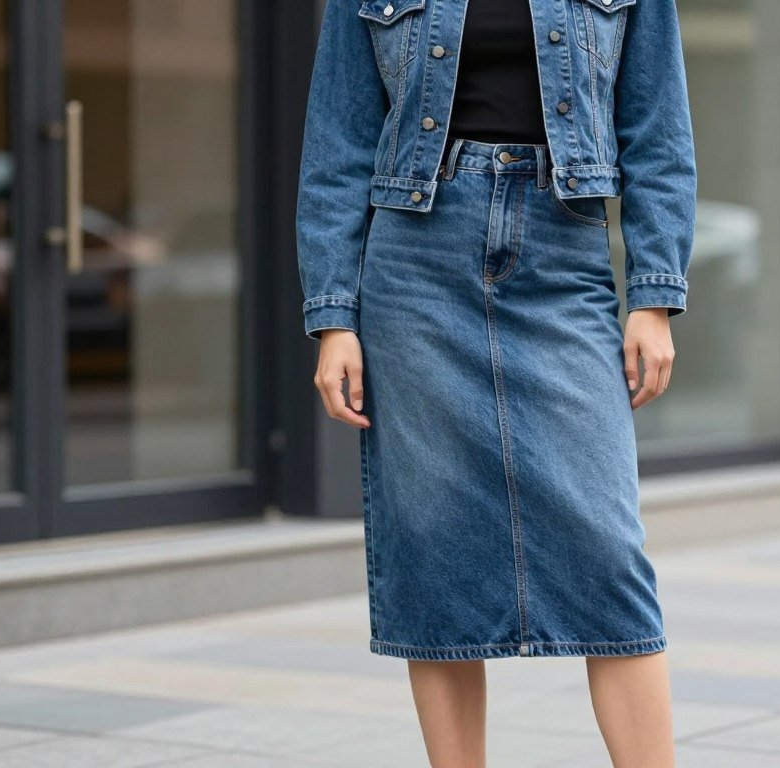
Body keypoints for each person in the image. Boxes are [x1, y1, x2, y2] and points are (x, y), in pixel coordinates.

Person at [296, 0, 696, 763]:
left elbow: (658, 130)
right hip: (414, 259)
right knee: (435, 545)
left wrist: (653, 295)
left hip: (562, 245)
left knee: (606, 549)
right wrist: (334, 316)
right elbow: (338, 145)